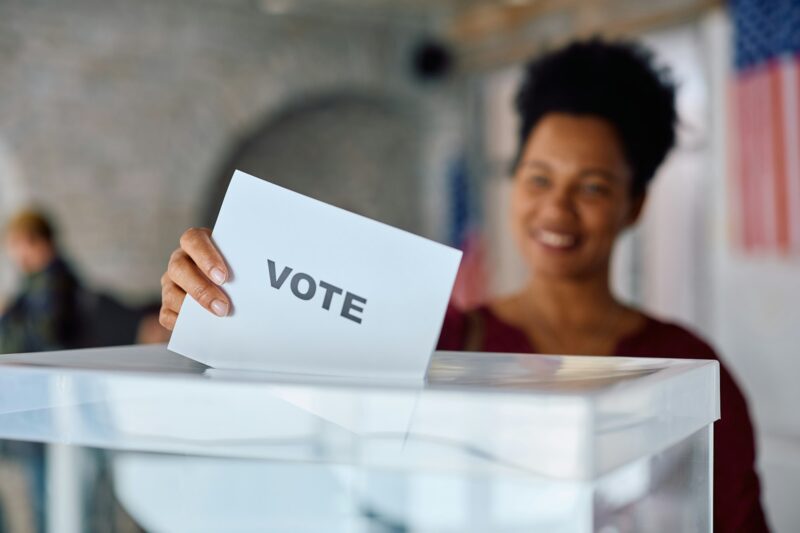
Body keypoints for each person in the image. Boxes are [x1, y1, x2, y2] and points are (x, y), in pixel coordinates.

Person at [158, 39, 769, 532]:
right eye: (537, 179)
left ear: (634, 205)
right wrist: (214, 304)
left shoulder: (686, 364)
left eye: (591, 187)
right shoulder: (443, 341)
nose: (555, 210)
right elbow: (289, 420)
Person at [0, 209, 83, 353]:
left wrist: (7, 316)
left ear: (39, 243)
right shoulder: (36, 278)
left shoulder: (53, 281)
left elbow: (43, 336)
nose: (14, 254)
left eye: (16, 244)